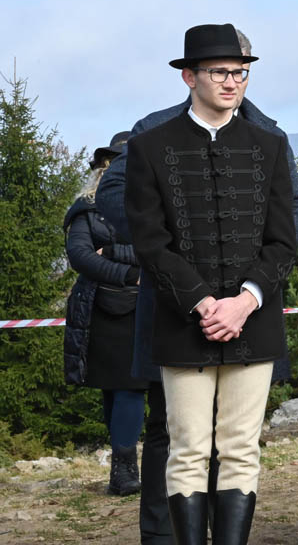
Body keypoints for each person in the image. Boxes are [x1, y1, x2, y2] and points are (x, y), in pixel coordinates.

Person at [96, 25, 298, 545]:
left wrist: (245, 301)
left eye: (240, 72)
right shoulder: (149, 145)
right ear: (189, 76)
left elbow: (284, 237)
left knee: (241, 448)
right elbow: (150, 239)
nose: (232, 82)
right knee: (187, 448)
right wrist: (202, 302)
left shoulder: (271, 144)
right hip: (181, 319)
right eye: (220, 72)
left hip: (252, 321)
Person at [63, 131, 147, 496]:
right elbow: (80, 257)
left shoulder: (152, 209)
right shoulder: (88, 208)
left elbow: (161, 253)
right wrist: (131, 271)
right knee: (114, 391)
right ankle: (122, 468)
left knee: (130, 387)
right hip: (101, 309)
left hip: (144, 308)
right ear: (105, 169)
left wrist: (112, 253)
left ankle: (125, 471)